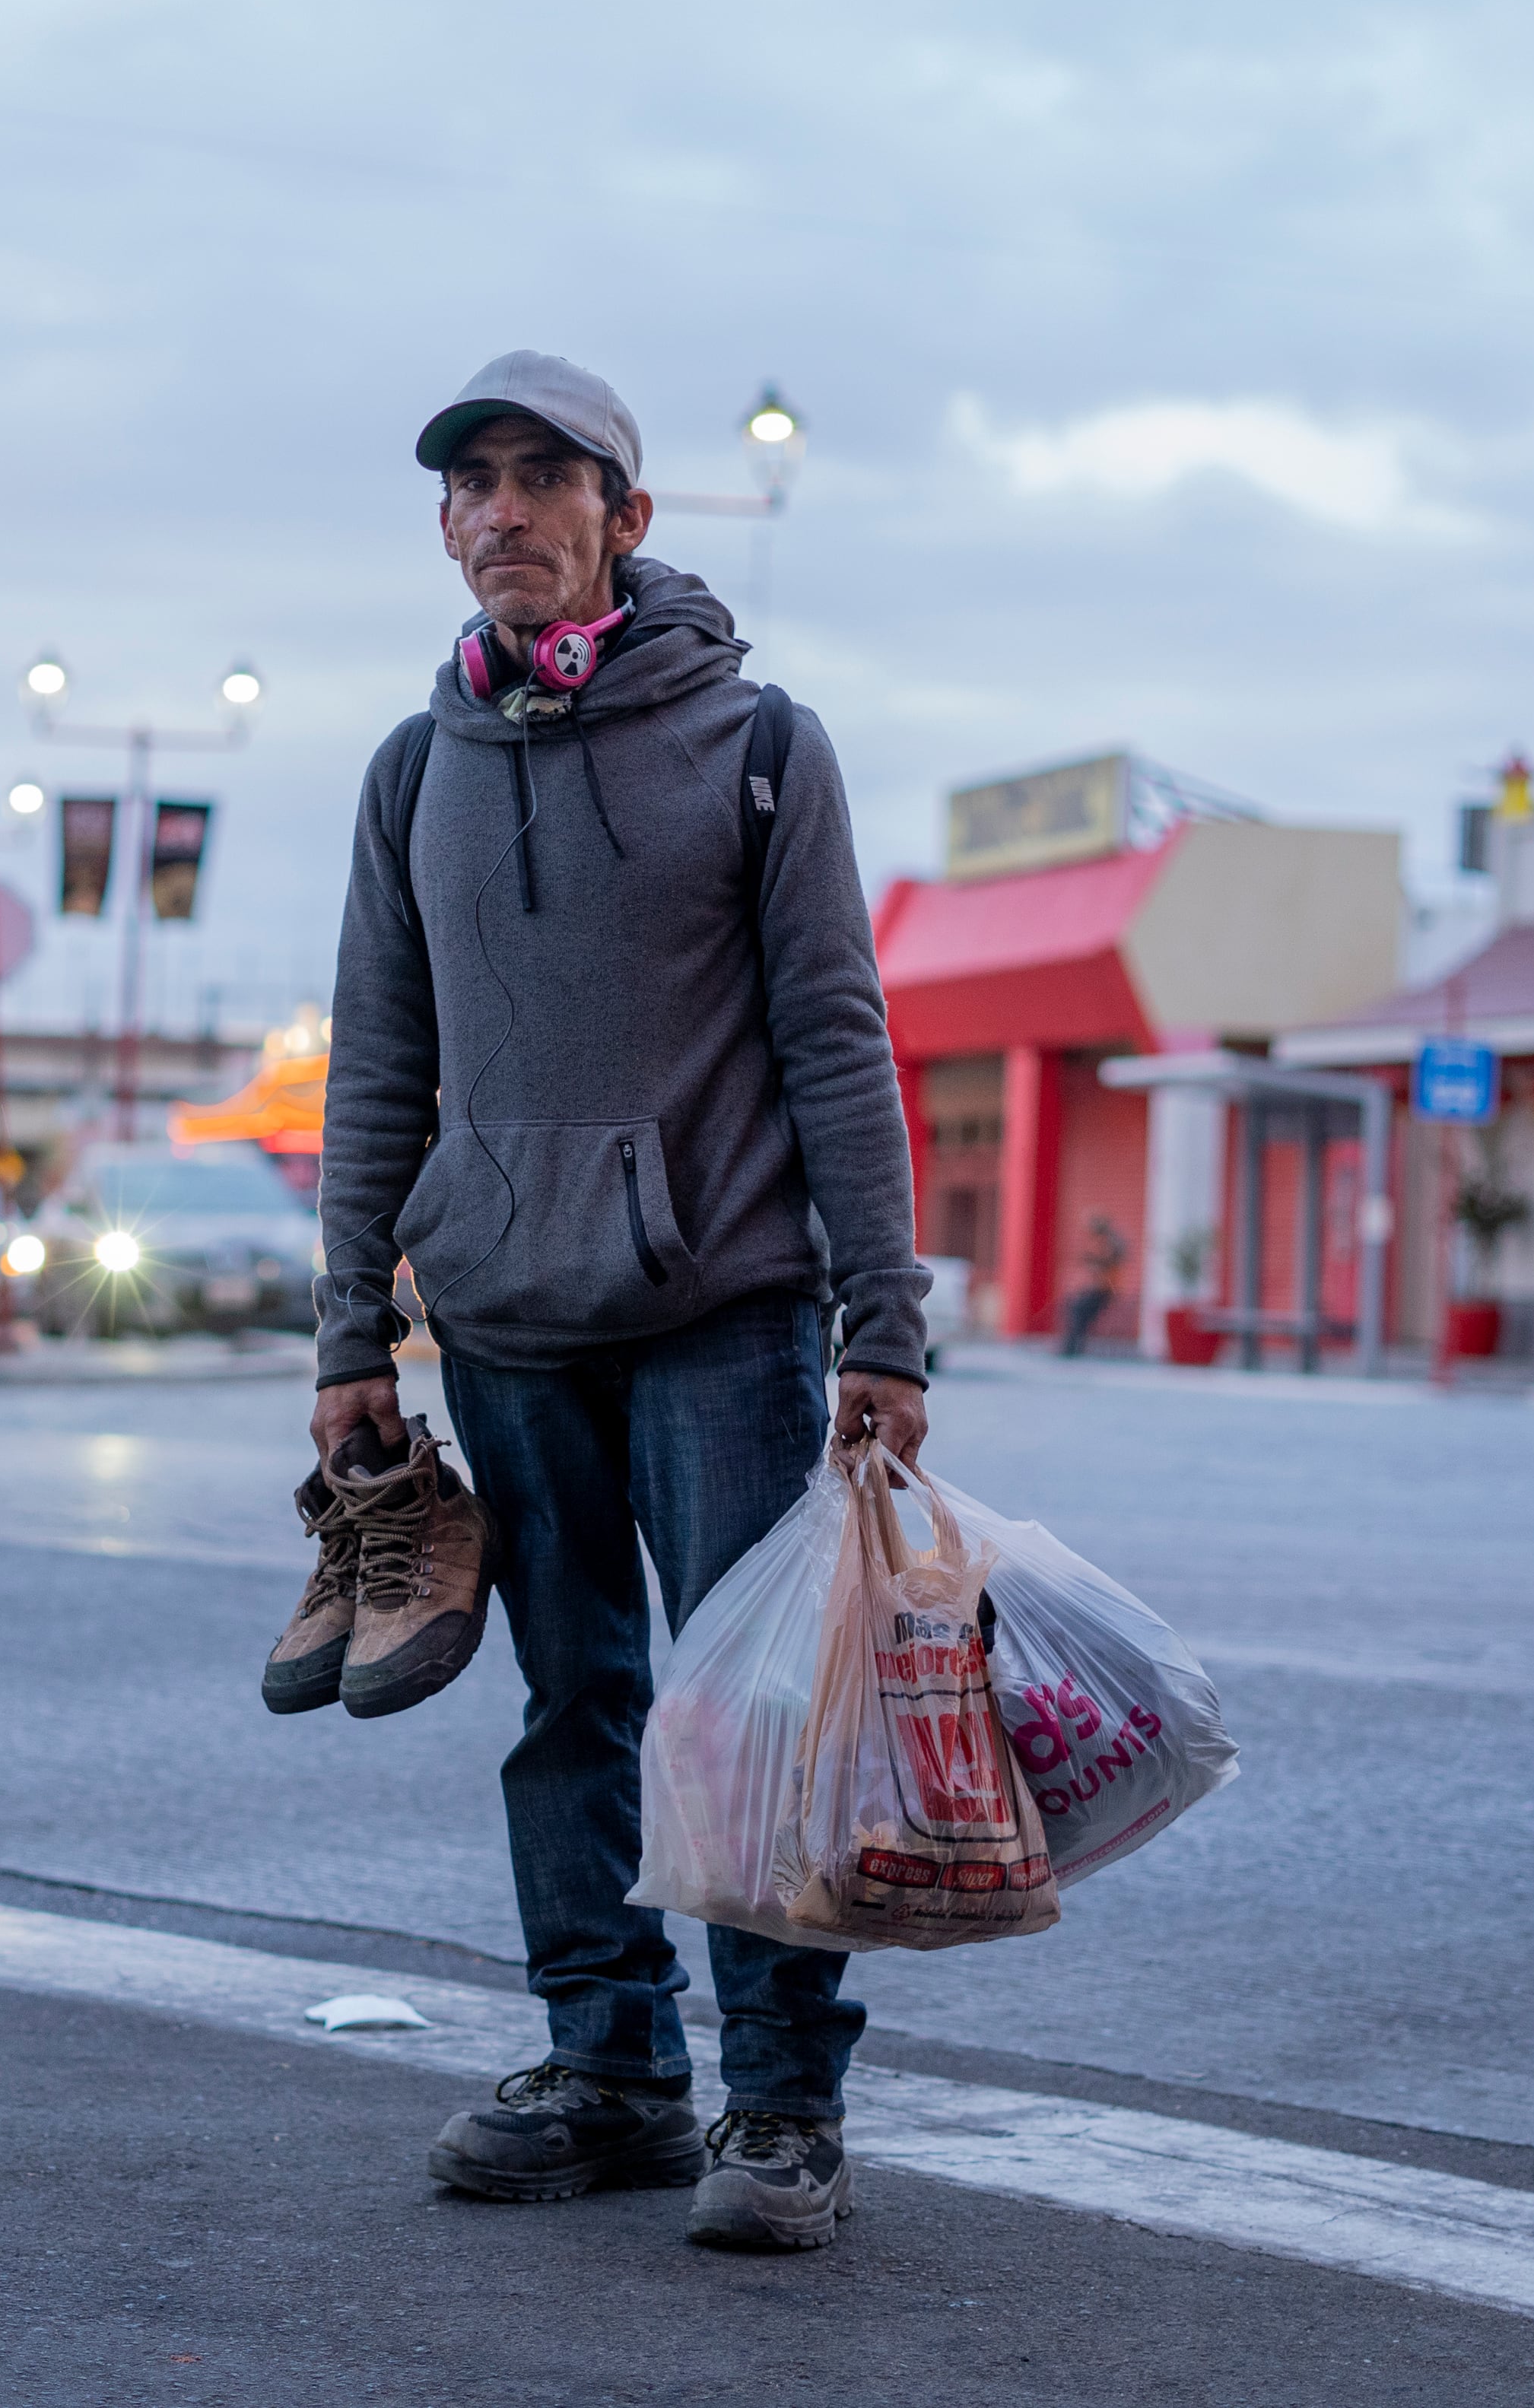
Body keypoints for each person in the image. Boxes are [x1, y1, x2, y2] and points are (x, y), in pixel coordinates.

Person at [302, 351, 929, 2252]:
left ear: (623, 520)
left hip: (720, 1312)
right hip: (502, 1319)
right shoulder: (413, 766)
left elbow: (838, 1035)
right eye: (470, 484)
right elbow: (377, 1062)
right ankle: (610, 2071)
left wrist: (881, 1324)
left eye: (540, 479)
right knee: (569, 1699)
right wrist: (350, 1334)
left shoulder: (755, 747)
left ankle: (783, 2111)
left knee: (750, 1714)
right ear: (444, 524)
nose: (500, 510)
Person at [1059, 1212, 1132, 1358]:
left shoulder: (1111, 1243)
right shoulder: (1102, 1243)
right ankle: (1072, 1344)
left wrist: (1094, 1260)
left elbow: (1110, 1261)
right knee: (1073, 1305)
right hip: (1097, 1290)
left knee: (1080, 1309)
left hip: (1106, 1291)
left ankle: (1073, 1346)